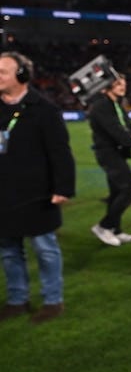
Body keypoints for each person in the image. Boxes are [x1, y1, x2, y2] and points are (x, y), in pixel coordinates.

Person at [0, 51, 75, 324]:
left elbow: (60, 152)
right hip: (3, 194)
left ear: (21, 75)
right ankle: (17, 299)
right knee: (8, 250)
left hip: (37, 194)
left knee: (45, 249)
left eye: (3, 72)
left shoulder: (44, 109)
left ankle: (52, 300)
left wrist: (63, 187)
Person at [88, 74, 131, 246]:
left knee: (116, 192)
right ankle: (104, 226)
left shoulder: (115, 104)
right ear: (108, 85)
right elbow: (116, 131)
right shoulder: (101, 105)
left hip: (117, 152)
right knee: (128, 189)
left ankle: (115, 229)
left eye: (124, 83)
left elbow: (127, 127)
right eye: (118, 83)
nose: (122, 86)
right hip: (108, 153)